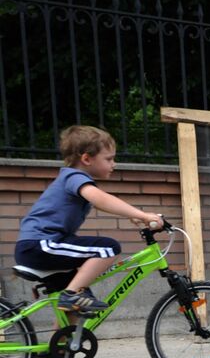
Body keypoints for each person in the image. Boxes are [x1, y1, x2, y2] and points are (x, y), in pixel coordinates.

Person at [13, 125, 164, 314]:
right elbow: (100, 198)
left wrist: (132, 214)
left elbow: (101, 203)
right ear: (86, 159)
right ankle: (70, 294)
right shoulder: (74, 177)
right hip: (41, 244)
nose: (114, 164)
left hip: (40, 245)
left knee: (77, 305)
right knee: (107, 248)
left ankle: (63, 339)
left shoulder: (72, 180)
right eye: (109, 159)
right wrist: (142, 215)